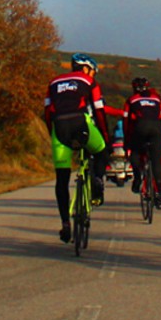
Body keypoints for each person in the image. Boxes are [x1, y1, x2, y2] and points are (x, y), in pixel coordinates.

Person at [43, 53, 111, 244]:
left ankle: (65, 223)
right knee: (101, 150)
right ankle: (97, 180)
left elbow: (48, 112)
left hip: (60, 128)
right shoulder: (89, 81)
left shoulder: (54, 82)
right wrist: (105, 135)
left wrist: (52, 134)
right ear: (87, 69)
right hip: (81, 123)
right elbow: (99, 110)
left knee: (62, 179)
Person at [124, 76, 161, 208]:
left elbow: (126, 122)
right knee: (156, 160)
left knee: (135, 152)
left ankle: (137, 178)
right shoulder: (157, 98)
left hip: (140, 127)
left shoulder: (131, 100)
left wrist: (127, 142)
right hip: (157, 129)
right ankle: (159, 193)